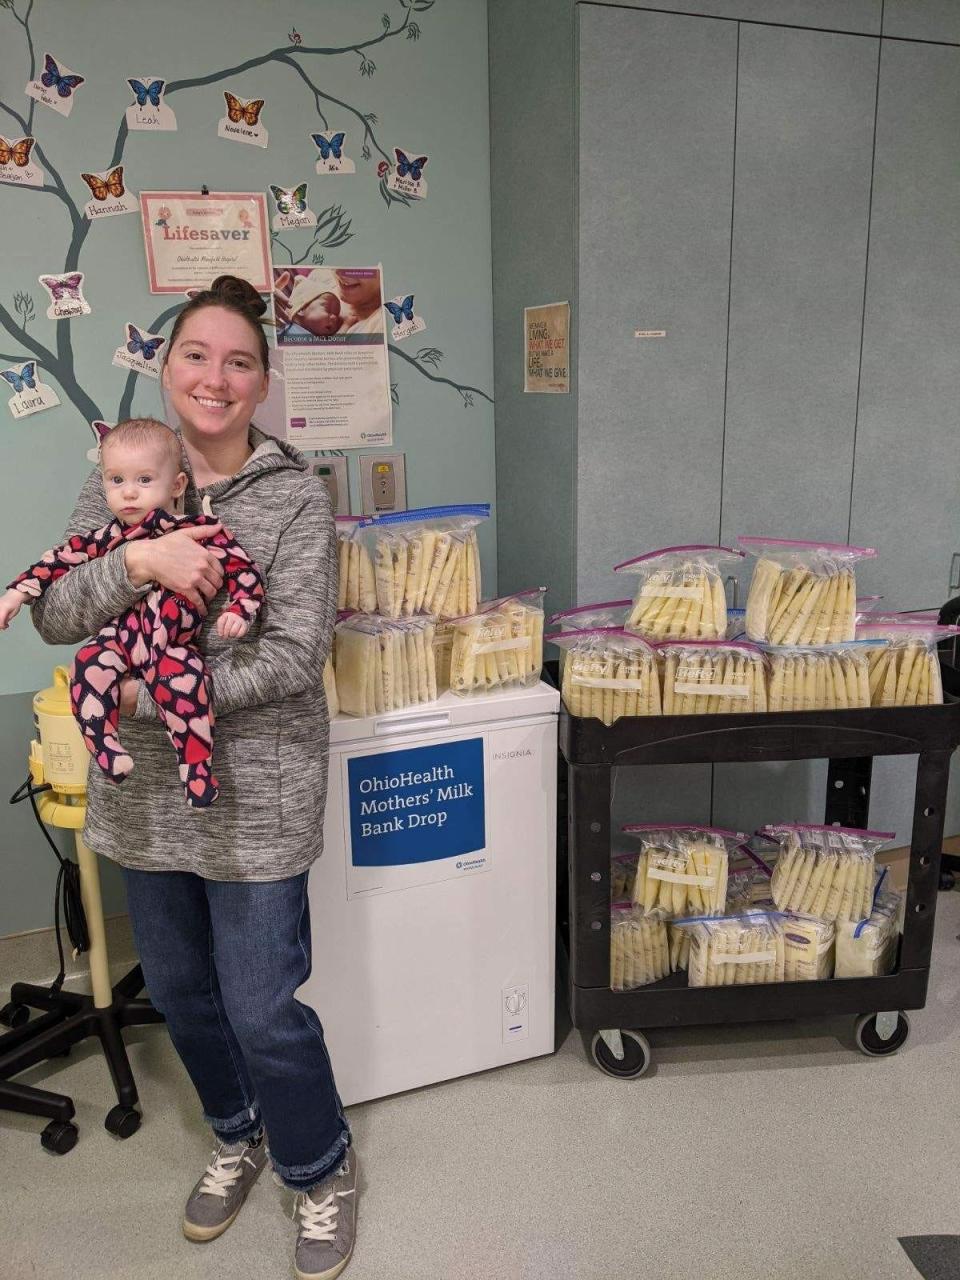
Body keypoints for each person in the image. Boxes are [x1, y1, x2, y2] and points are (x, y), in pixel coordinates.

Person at [31, 275, 357, 1280]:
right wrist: (143, 563)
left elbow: (293, 655)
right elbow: (54, 611)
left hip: (255, 792)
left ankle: (320, 1165)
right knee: (177, 989)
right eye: (195, 356)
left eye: (239, 360)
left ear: (261, 383)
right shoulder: (124, 478)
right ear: (166, 368)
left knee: (262, 1001)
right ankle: (236, 1128)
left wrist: (151, 696)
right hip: (147, 798)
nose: (214, 377)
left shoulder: (299, 495)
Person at [1, 417, 265, 808]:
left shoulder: (203, 529)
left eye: (144, 480)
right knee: (87, 666)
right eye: (116, 481)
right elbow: (57, 561)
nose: (128, 494)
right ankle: (104, 746)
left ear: (176, 485)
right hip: (119, 640)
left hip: (172, 645)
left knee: (188, 685)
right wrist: (16, 594)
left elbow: (244, 570)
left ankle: (196, 769)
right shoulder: (108, 537)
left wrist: (242, 610)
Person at [274, 267, 384, 339]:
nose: (335, 318)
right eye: (327, 309)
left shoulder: (379, 324)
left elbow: (330, 348)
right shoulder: (322, 277)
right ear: (301, 310)